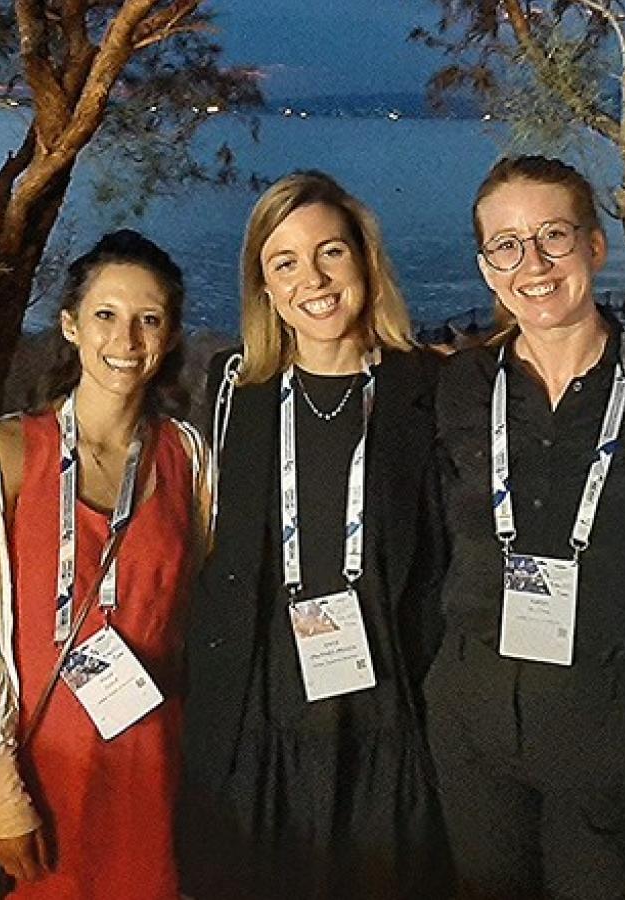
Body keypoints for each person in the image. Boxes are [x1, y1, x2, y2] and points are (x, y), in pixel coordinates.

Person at [426, 155, 625, 899]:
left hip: (610, 715)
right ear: (487, 267)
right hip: (473, 709)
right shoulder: (458, 385)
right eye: (507, 245)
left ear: (594, 246)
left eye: (554, 235)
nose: (534, 264)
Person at [176, 171, 451, 899]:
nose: (314, 279)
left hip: (390, 716)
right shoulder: (239, 398)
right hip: (266, 720)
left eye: (331, 252)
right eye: (285, 262)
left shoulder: (428, 390)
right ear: (263, 286)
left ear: (364, 259)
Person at [0, 230, 208, 900]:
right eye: (106, 315)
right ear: (71, 326)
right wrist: (2, 794)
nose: (126, 339)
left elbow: (195, 612)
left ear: (169, 337)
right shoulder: (7, 450)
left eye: (149, 319)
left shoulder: (186, 455)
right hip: (38, 762)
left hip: (150, 762)